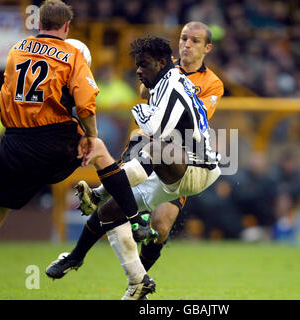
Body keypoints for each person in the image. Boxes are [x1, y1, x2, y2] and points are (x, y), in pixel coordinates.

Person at [0, 0, 154, 300]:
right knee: (100, 149)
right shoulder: (72, 54)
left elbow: (3, 98)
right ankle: (135, 218)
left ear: (38, 24)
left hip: (15, 143)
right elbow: (86, 104)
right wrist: (89, 135)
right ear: (66, 27)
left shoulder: (16, 49)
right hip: (54, 141)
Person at [48, 35, 221, 299]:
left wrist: (138, 111)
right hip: (173, 168)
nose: (138, 70)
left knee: (149, 145)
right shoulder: (163, 82)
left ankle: (99, 192)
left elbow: (157, 130)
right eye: (137, 65)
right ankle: (136, 281)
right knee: (109, 213)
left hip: (197, 166)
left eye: (144, 65)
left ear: (161, 62)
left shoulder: (172, 85)